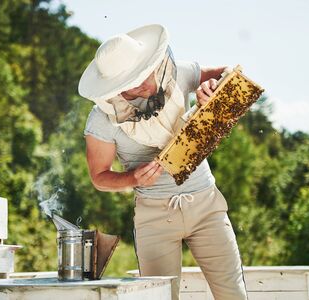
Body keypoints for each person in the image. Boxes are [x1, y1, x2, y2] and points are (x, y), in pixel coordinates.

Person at [79, 24, 248, 300]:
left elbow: (226, 73)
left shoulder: (177, 72)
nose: (147, 83)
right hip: (154, 217)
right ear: (114, 87)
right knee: (159, 297)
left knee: (233, 293)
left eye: (146, 72)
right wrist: (131, 178)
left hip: (206, 205)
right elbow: (99, 176)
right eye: (133, 82)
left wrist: (212, 87)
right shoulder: (101, 119)